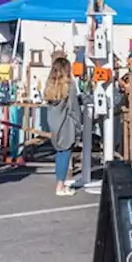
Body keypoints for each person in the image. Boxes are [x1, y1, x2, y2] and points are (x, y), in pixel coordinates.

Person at [44, 57, 83, 197]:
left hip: (54, 124)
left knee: (60, 154)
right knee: (65, 154)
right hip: (66, 125)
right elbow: (74, 109)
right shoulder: (69, 86)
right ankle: (60, 186)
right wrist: (79, 126)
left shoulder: (49, 86)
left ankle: (60, 183)